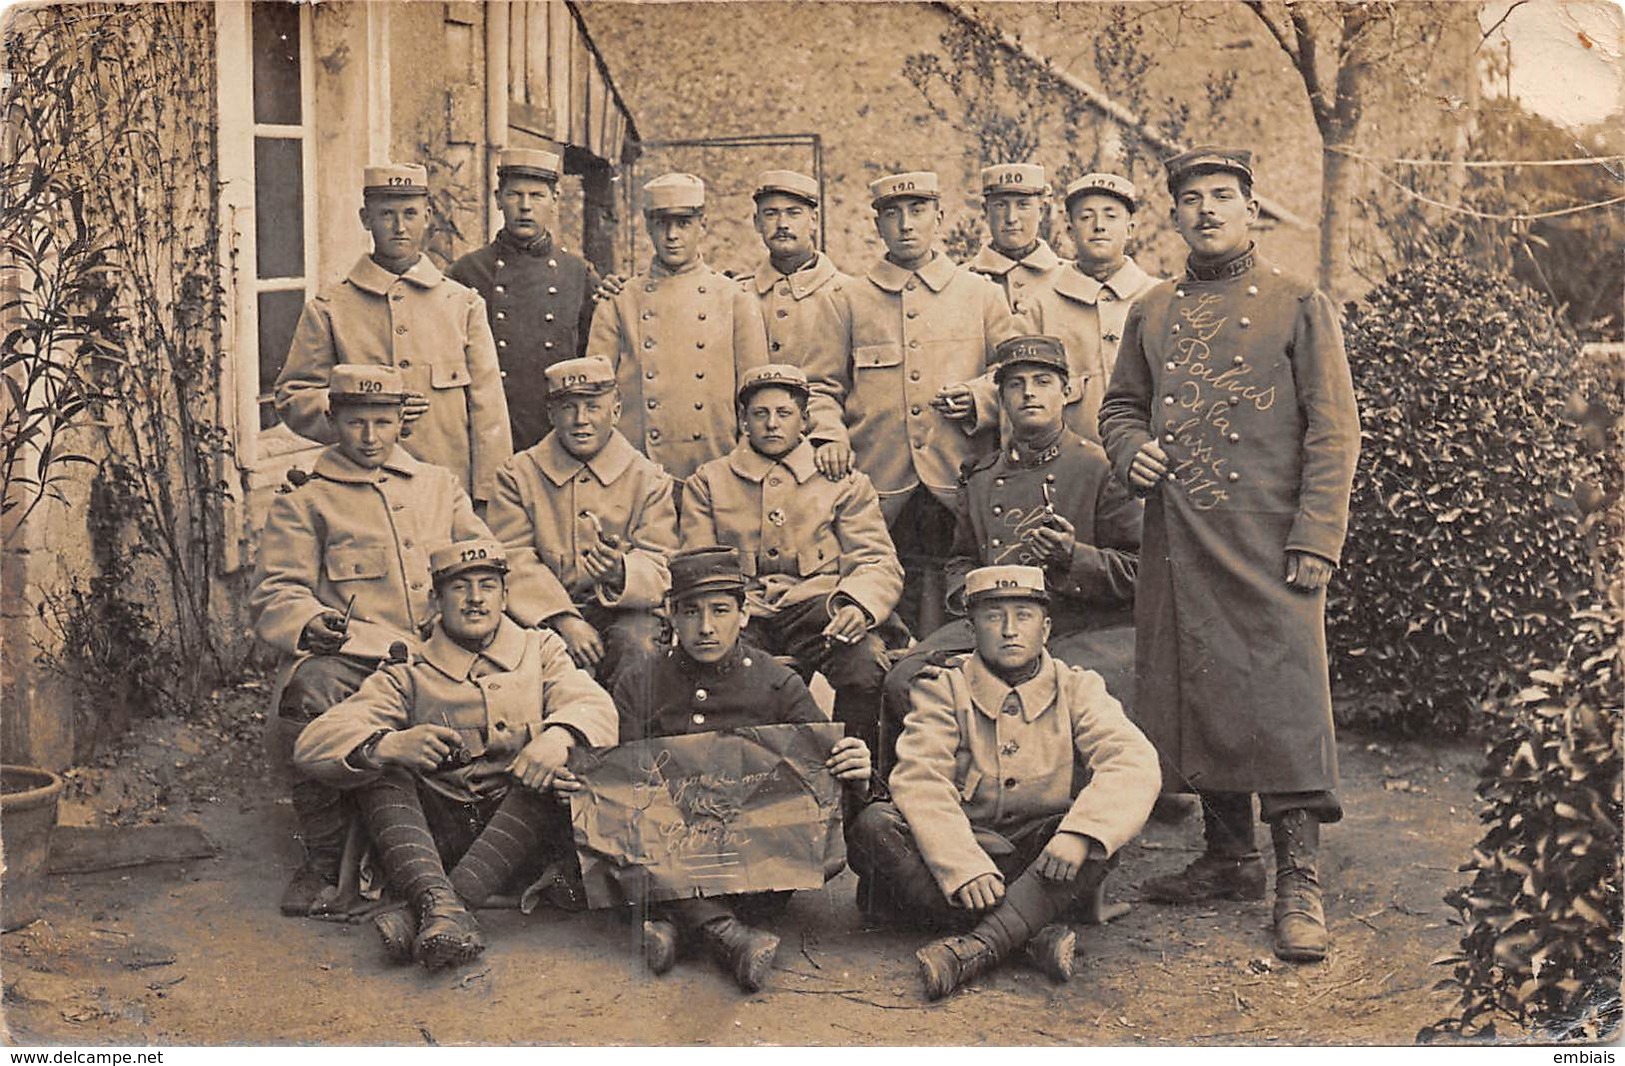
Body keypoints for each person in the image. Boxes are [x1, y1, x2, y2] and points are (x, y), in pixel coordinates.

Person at [1099, 145, 1360, 963]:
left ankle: (1298, 879)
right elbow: (1117, 407)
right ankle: (1228, 857)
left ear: (1251, 209)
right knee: (1197, 691)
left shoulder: (1296, 302)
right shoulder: (1150, 309)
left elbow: (1334, 428)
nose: (1206, 210)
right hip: (1180, 539)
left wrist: (1316, 536)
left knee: (1283, 702)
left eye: (1222, 196)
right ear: (1172, 215)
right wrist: (1128, 448)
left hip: (1271, 542)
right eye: (1190, 199)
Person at [293, 539, 618, 971]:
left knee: (556, 768)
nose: (475, 599)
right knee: (381, 768)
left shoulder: (541, 650)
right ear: (436, 600)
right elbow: (313, 743)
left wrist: (556, 736)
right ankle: (439, 902)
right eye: (460, 587)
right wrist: (390, 744)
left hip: (520, 832)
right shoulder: (409, 668)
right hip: (436, 837)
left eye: (488, 585)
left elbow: (596, 709)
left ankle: (433, 911)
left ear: (506, 596)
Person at [848, 565, 1159, 1000]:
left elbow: (1132, 760)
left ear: (1046, 628)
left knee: (1100, 834)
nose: (1010, 630)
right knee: (876, 825)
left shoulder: (1078, 687)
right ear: (972, 628)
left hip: (1040, 856)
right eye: (994, 616)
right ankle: (1026, 935)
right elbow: (922, 780)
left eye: (1025, 615)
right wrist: (963, 865)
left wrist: (1077, 833)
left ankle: (974, 948)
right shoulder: (942, 688)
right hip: (964, 850)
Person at [250, 365, 491, 916]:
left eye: (384, 422)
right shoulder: (306, 498)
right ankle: (323, 855)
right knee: (309, 693)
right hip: (356, 658)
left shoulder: (437, 486)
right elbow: (276, 592)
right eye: (356, 422)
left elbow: (483, 560)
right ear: (332, 420)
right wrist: (310, 621)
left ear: (402, 422)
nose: (370, 437)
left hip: (439, 652)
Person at [610, 546, 873, 992]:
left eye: (720, 610)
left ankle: (678, 923)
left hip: (750, 846)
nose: (706, 627)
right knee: (622, 820)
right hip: (672, 838)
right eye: (690, 612)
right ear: (671, 616)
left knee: (798, 831)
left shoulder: (777, 682)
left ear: (745, 613)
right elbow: (625, 783)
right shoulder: (641, 680)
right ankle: (728, 936)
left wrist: (856, 768)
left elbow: (823, 776)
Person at [880, 335, 1141, 774]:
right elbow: (961, 557)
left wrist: (1071, 557)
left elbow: (1139, 570)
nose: (1029, 393)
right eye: (1015, 384)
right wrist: (970, 596)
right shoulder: (982, 476)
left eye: (1042, 381)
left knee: (1064, 685)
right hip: (992, 622)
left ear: (1066, 391)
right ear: (1000, 397)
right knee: (904, 679)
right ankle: (918, 804)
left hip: (1078, 625)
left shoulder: (1100, 469)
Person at [810, 170, 1024, 637]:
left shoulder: (982, 295)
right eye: (892, 214)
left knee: (962, 607)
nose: (906, 224)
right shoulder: (846, 300)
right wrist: (829, 435)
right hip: (879, 486)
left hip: (959, 481)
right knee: (885, 612)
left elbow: (1013, 375)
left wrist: (977, 397)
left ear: (939, 218)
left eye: (918, 211)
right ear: (877, 225)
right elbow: (820, 387)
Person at [681, 364, 904, 754]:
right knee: (725, 673)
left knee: (865, 661)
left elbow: (876, 560)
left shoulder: (843, 482)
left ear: (804, 420)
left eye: (784, 414)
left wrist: (856, 606)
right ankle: (748, 781)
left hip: (819, 608)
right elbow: (700, 566)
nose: (771, 424)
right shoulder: (709, 482)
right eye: (759, 414)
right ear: (743, 421)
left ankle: (857, 777)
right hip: (744, 611)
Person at [275, 163, 512, 505]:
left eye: (410, 213)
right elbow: (292, 396)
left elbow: (489, 412)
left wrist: (489, 498)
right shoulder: (330, 308)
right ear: (365, 219)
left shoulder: (463, 305)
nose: (400, 227)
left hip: (447, 494)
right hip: (358, 495)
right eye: (386, 214)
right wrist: (358, 410)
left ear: (427, 216)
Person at [486, 355, 677, 687]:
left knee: (639, 644)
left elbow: (661, 561)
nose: (580, 420)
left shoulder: (648, 478)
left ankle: (630, 738)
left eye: (592, 407)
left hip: (623, 611)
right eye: (567, 408)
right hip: (539, 615)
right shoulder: (517, 476)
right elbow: (512, 558)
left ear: (615, 411)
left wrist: (621, 573)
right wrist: (563, 620)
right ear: (551, 415)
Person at [585, 172, 769, 483]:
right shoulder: (619, 301)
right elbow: (597, 396)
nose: (672, 235)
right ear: (647, 227)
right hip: (636, 471)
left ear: (703, 225)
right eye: (662, 223)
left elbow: (756, 398)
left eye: (683, 223)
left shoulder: (735, 299)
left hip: (716, 468)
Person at [447, 148, 600, 451]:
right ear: (498, 198)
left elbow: (595, 358)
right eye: (515, 195)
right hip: (491, 431)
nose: (525, 207)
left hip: (558, 434)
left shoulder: (578, 274)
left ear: (555, 200)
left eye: (537, 195)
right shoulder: (467, 272)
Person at [1020, 173, 1163, 444]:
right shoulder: (1040, 305)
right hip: (1069, 467)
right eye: (1086, 217)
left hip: (1146, 460)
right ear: (1071, 231)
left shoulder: (1159, 297)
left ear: (1130, 228)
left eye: (1111, 216)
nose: (1099, 226)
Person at [735, 169, 852, 469]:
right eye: (771, 214)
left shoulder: (849, 294)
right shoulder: (736, 294)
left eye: (794, 213)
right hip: (747, 459)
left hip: (825, 457)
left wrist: (829, 438)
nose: (783, 224)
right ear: (756, 222)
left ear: (813, 219)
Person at [966, 162, 1063, 318]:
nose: (1011, 218)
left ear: (1042, 210)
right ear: (986, 211)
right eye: (1000, 205)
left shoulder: (1068, 277)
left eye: (1023, 205)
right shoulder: (962, 281)